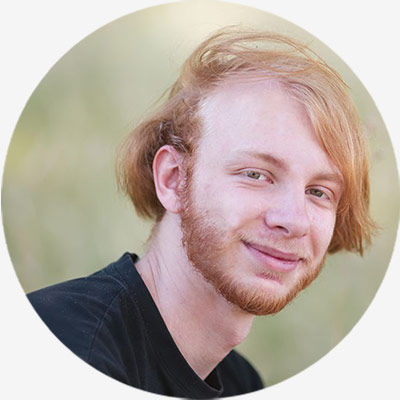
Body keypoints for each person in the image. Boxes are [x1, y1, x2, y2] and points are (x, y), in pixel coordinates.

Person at [27, 27, 376, 398]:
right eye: (255, 174)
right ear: (173, 179)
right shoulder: (67, 349)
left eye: (319, 192)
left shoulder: (242, 382)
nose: (294, 220)